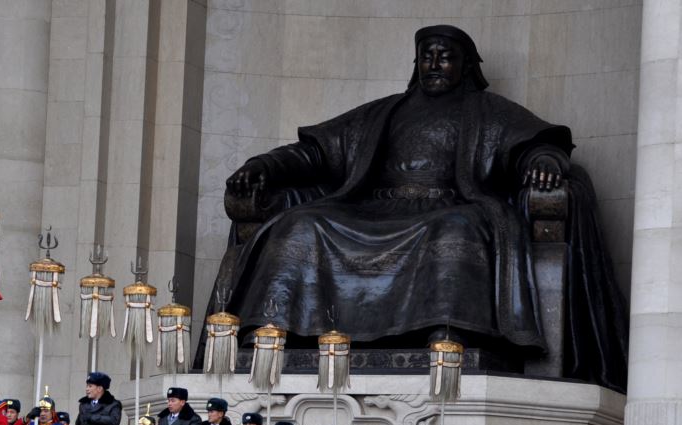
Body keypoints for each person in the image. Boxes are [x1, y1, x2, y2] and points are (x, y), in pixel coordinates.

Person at [212, 24, 627, 390]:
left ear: (465, 67)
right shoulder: (384, 113)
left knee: (455, 229)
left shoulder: (488, 111)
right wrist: (262, 165)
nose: (434, 64)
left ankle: (447, 333)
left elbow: (532, 147)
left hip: (452, 204)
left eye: (445, 58)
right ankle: (273, 332)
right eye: (426, 57)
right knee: (301, 224)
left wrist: (544, 163)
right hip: (372, 207)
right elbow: (313, 154)